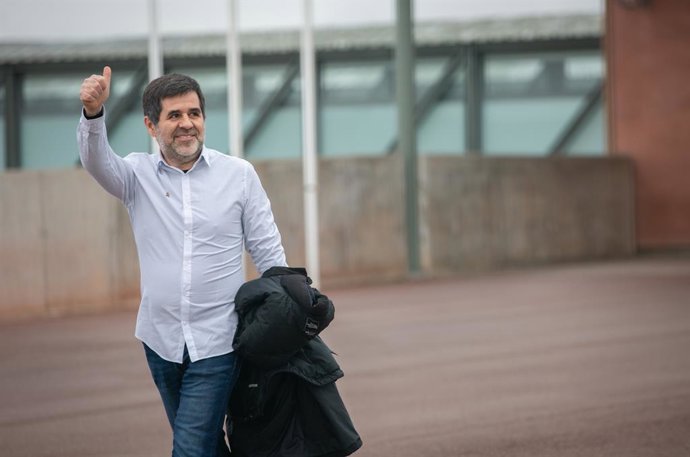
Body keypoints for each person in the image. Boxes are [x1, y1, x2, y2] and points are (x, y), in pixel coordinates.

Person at [78, 66, 287, 457]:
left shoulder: (239, 175)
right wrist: (93, 114)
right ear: (151, 125)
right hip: (160, 341)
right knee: (207, 445)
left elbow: (268, 252)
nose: (186, 124)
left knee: (190, 448)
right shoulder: (135, 176)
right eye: (174, 115)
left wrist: (290, 311)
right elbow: (95, 161)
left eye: (194, 113)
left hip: (218, 341)